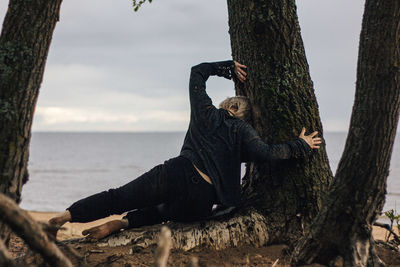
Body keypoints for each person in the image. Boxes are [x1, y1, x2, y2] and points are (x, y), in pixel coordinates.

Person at [49, 60, 321, 241]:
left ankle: (68, 216)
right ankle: (123, 224)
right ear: (245, 117)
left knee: (118, 196)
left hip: (177, 172)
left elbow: (197, 72)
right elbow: (269, 154)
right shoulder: (244, 134)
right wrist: (301, 145)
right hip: (201, 200)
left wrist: (227, 68)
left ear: (229, 105)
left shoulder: (207, 113)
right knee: (161, 213)